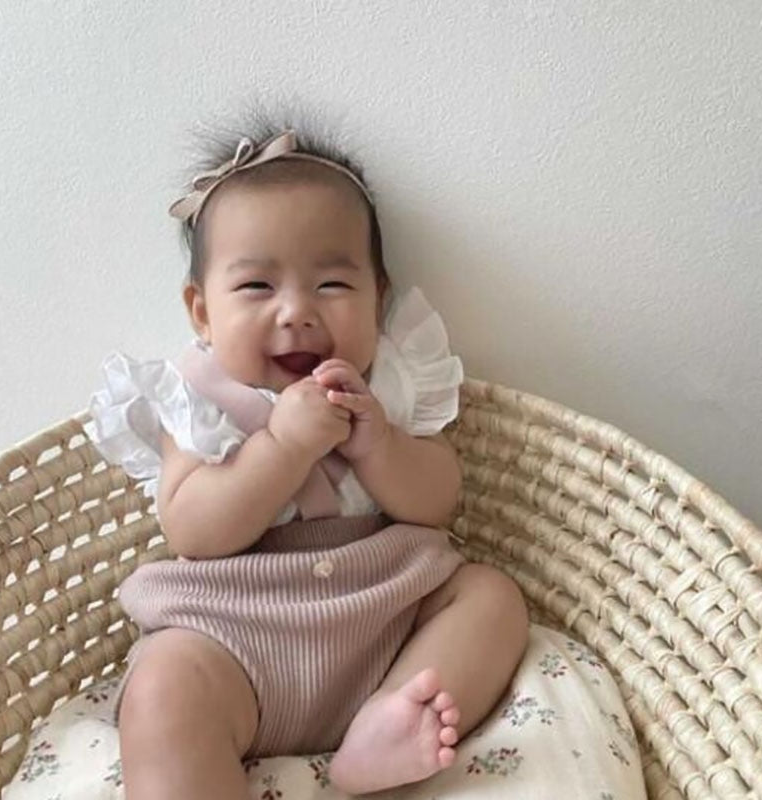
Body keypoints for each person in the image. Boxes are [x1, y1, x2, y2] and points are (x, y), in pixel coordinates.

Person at [89, 121, 529, 799]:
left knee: (490, 598)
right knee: (163, 691)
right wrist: (282, 447)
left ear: (378, 297)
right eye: (256, 287)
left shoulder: (391, 384)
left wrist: (379, 444)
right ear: (201, 311)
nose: (296, 312)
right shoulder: (196, 399)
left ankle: (385, 727)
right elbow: (193, 531)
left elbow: (438, 500)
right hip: (236, 643)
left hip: (385, 625)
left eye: (331, 284)